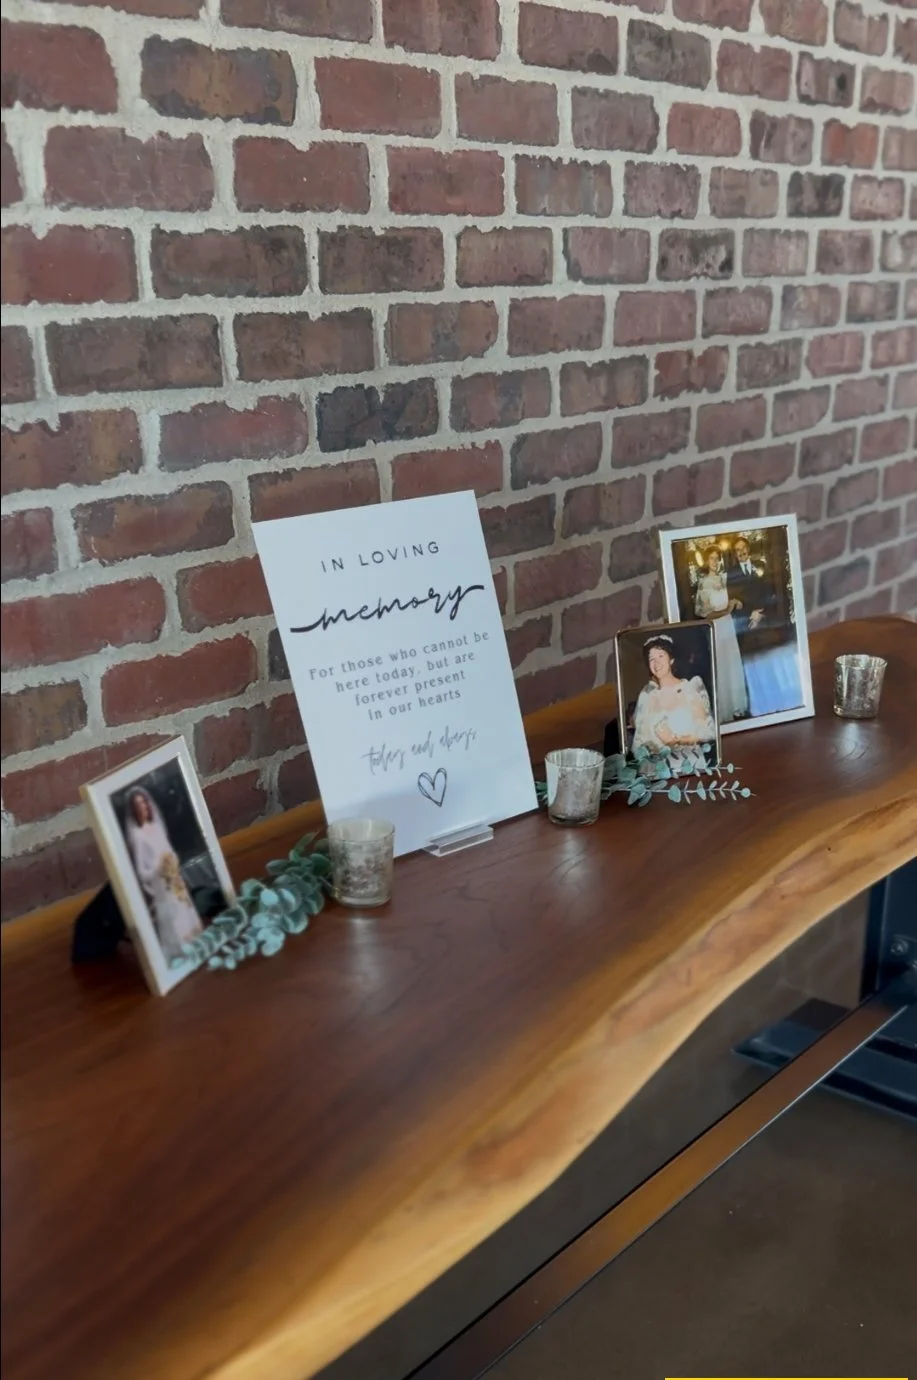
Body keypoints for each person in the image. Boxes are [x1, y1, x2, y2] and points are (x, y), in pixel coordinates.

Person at [124, 786, 202, 962]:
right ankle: (179, 950)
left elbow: (168, 851)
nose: (142, 806)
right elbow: (142, 873)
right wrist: (159, 866)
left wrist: (172, 861)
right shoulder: (138, 837)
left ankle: (196, 944)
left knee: (184, 909)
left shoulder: (156, 827)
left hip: (174, 880)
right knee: (173, 917)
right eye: (138, 804)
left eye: (144, 802)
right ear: (134, 810)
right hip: (161, 885)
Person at [632, 634, 717, 772]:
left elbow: (708, 732)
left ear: (671, 659)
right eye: (651, 659)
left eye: (660, 656)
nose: (656, 663)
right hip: (655, 772)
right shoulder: (647, 696)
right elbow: (638, 743)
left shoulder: (690, 689)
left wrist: (675, 740)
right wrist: (650, 749)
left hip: (687, 767)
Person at [694, 546, 749, 724]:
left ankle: (737, 707)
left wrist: (736, 601)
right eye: (711, 558)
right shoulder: (704, 583)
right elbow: (706, 614)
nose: (715, 562)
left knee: (732, 663)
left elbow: (732, 597)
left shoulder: (723, 579)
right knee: (721, 665)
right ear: (706, 561)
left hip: (728, 626)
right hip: (716, 627)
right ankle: (723, 709)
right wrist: (728, 609)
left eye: (717, 558)